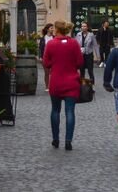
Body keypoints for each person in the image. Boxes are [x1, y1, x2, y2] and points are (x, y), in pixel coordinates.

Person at [41, 20, 82, 150]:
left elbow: (46, 63)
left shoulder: (51, 44)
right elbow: (80, 62)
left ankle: (55, 139)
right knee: (70, 112)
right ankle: (68, 141)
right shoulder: (74, 43)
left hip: (56, 81)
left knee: (55, 110)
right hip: (71, 81)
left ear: (57, 30)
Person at [39, 23, 55, 92]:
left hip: (54, 57)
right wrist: (40, 56)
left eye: (53, 28)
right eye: (51, 28)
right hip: (45, 57)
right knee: (46, 72)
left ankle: (53, 85)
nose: (52, 29)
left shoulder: (54, 37)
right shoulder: (43, 38)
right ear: (48, 29)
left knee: (53, 72)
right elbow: (40, 48)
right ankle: (47, 86)